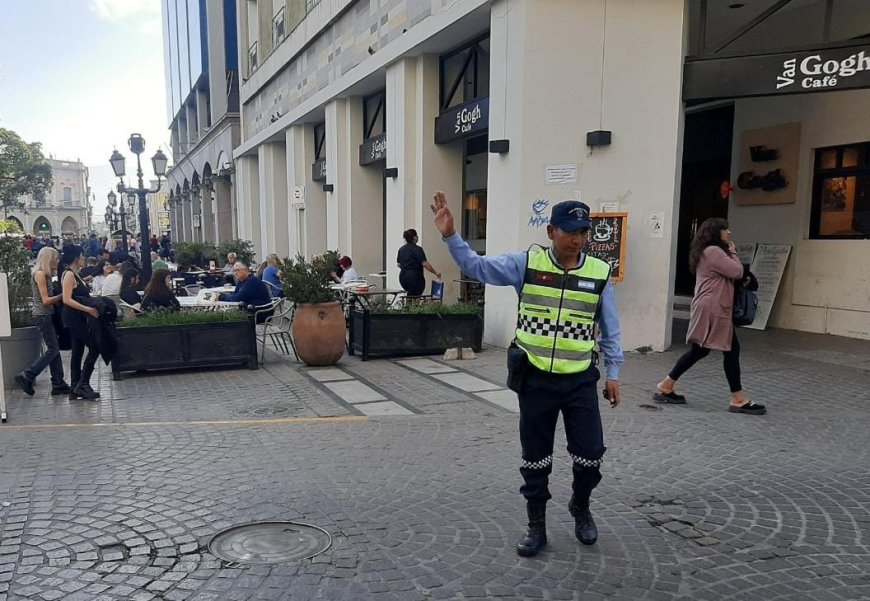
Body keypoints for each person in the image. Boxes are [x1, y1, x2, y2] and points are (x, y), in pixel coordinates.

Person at [431, 191, 623, 558]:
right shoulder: (528, 264)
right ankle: (536, 526)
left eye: (583, 232)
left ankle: (580, 505)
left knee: (591, 454)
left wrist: (613, 372)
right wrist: (451, 236)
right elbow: (478, 267)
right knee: (536, 458)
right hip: (535, 377)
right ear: (551, 231)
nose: (578, 239)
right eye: (570, 232)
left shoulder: (599, 273)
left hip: (580, 377)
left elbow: (610, 328)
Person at [655, 218, 766, 416]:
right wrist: (732, 251)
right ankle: (738, 399)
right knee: (730, 350)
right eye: (724, 229)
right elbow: (737, 271)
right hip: (714, 308)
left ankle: (666, 385)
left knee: (700, 350)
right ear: (714, 233)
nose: (729, 232)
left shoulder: (707, 251)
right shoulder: (714, 251)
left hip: (711, 307)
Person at [14, 247, 71, 396]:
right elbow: (46, 300)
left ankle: (58, 382)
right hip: (42, 316)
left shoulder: (45, 275)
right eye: (55, 258)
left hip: (47, 315)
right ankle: (28, 374)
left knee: (54, 348)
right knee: (53, 349)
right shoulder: (39, 274)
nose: (57, 261)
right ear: (49, 258)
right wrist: (63, 295)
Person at [61, 245, 101, 401]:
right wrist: (88, 309)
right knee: (94, 347)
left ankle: (75, 387)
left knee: (77, 352)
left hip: (77, 317)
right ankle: (83, 384)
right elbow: (66, 298)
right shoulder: (69, 274)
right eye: (82, 256)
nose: (84, 259)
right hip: (74, 318)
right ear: (77, 257)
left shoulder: (75, 275)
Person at [397, 228, 440, 296]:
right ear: (414, 237)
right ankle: (411, 306)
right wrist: (435, 272)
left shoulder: (401, 249)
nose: (418, 237)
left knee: (410, 295)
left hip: (403, 277)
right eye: (417, 235)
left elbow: (399, 264)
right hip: (415, 276)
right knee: (415, 296)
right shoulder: (417, 249)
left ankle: (408, 306)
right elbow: (425, 264)